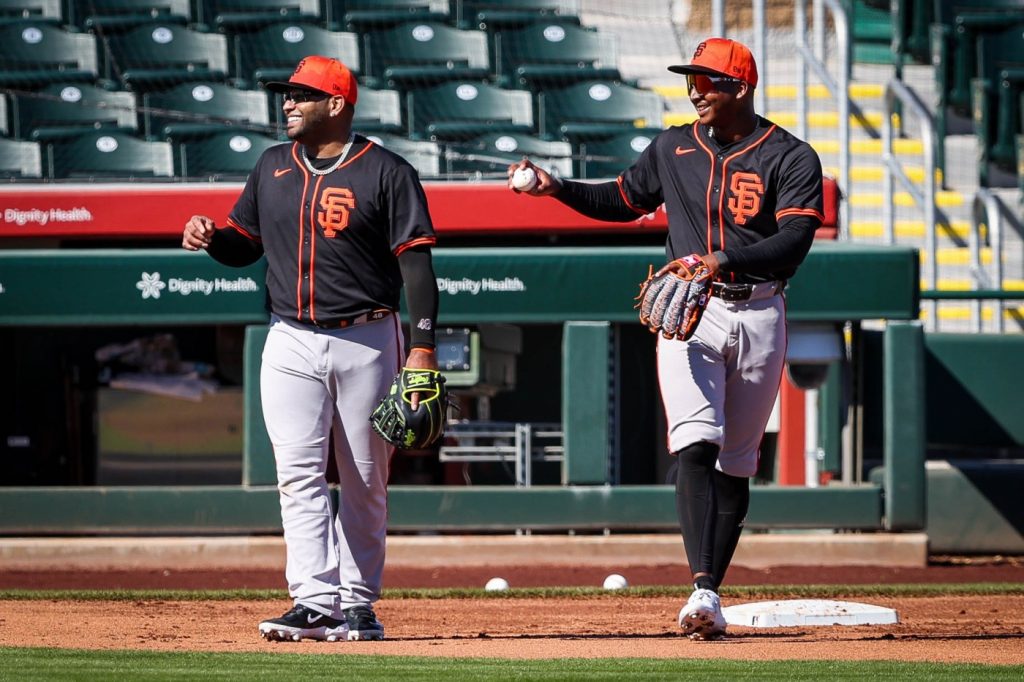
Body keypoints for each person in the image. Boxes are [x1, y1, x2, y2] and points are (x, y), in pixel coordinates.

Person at [508, 38, 823, 640]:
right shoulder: (673, 145)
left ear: (741, 88)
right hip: (691, 313)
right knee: (697, 443)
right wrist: (558, 187)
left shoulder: (790, 155)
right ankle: (702, 590)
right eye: (691, 79)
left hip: (760, 311)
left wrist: (722, 258)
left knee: (737, 463)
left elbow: (795, 243)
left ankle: (711, 587)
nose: (695, 90)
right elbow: (621, 201)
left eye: (708, 81)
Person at [182, 55, 440, 642]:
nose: (288, 103)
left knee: (365, 479)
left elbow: (418, 268)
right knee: (297, 475)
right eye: (286, 94)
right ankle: (313, 599)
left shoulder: (387, 171)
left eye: (301, 94)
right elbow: (244, 244)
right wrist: (212, 237)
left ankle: (357, 603)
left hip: (368, 337)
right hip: (290, 338)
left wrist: (422, 348)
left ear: (338, 104)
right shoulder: (272, 164)